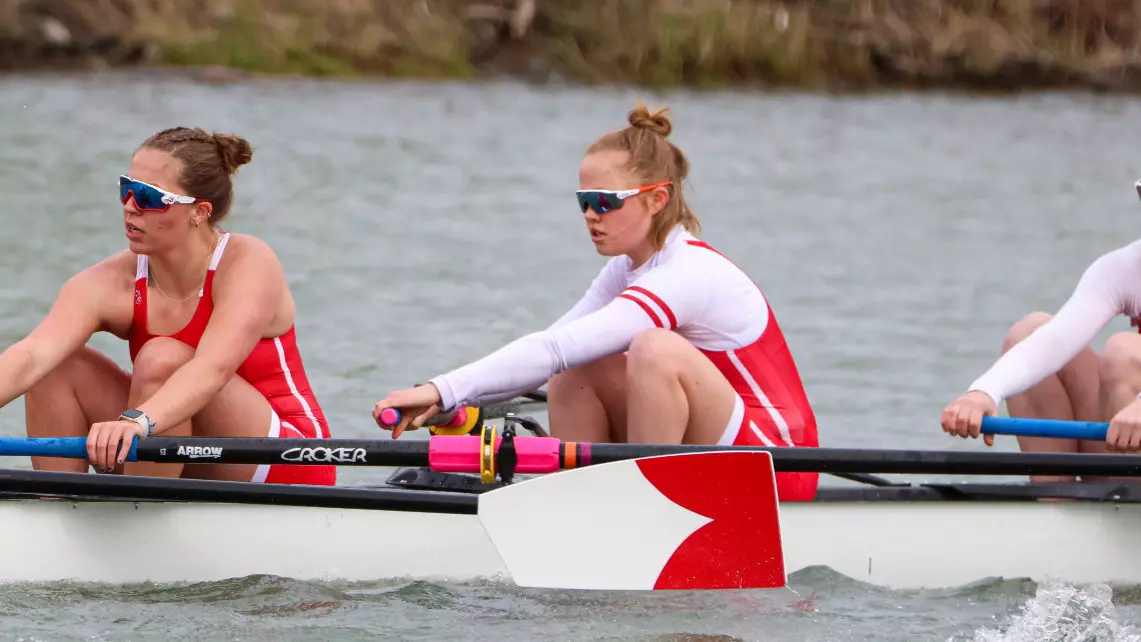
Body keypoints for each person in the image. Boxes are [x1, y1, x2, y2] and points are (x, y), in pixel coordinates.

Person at [372, 104, 819, 501]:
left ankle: (648, 507)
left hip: (777, 466)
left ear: (657, 199)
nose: (591, 215)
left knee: (651, 348)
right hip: (719, 448)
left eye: (605, 202)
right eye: (584, 201)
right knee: (573, 367)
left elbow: (552, 349)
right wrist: (447, 402)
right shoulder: (626, 269)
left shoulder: (688, 273)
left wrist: (440, 386)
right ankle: (581, 508)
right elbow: (553, 349)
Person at [0, 126, 335, 485]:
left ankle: (138, 510)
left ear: (198, 212)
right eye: (126, 189)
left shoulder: (248, 262)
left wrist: (138, 421)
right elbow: (31, 356)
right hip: (167, 441)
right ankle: (58, 510)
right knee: (54, 367)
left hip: (287, 459)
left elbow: (212, 368)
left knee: (162, 357)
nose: (130, 206)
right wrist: (140, 423)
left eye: (148, 197)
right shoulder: (110, 282)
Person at [941, 201, 1141, 482]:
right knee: (1028, 331)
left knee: (1124, 352)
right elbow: (1053, 342)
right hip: (1126, 436)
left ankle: (1127, 503)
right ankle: (1057, 505)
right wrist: (983, 392)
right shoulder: (1126, 267)